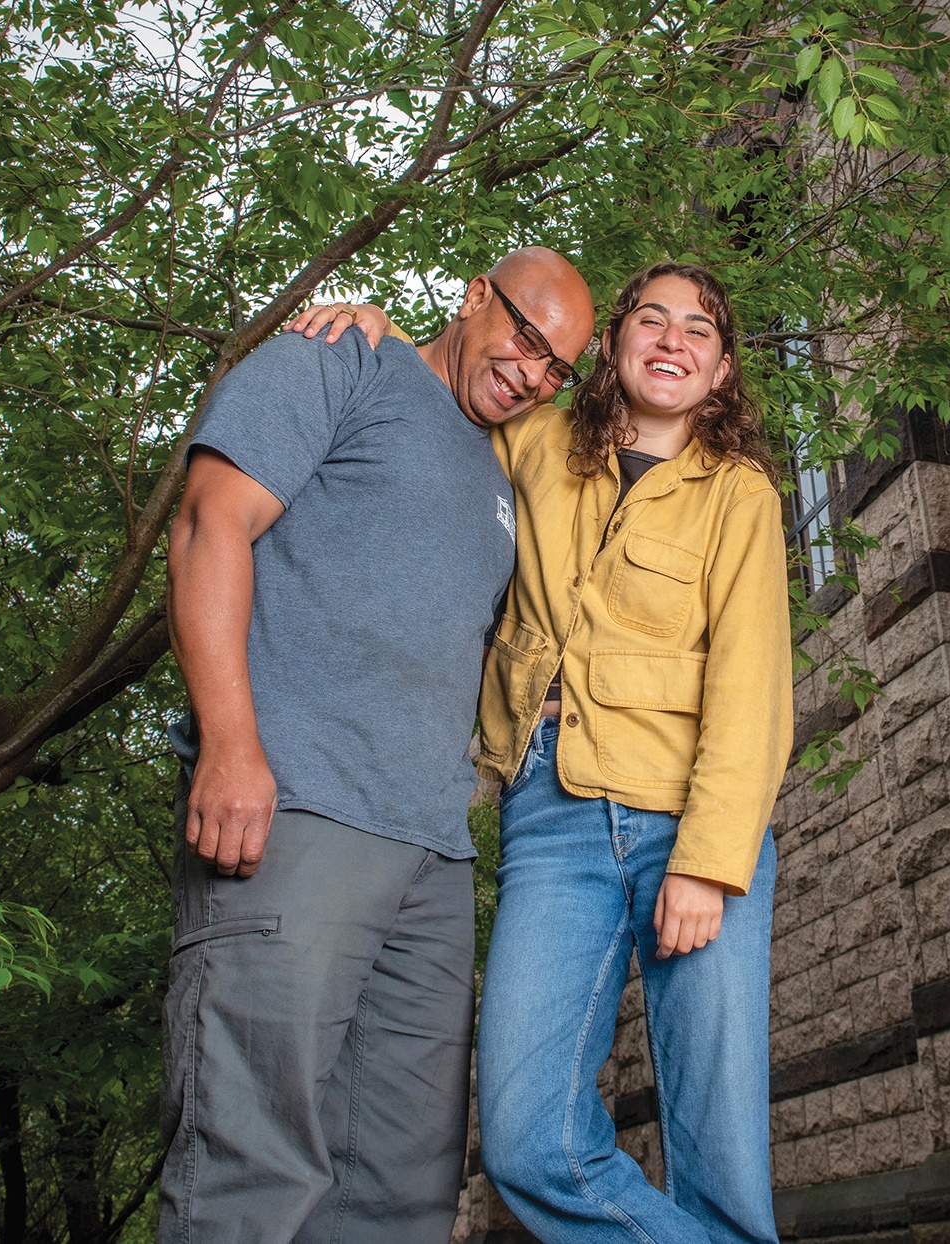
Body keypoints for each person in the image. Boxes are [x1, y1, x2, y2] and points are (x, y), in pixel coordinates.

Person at [292, 263, 792, 1243]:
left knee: (720, 1156)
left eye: (698, 331)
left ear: (721, 370)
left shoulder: (737, 495)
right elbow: (457, 383)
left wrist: (705, 857)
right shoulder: (540, 441)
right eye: (651, 317)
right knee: (526, 1139)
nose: (672, 339)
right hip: (550, 817)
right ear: (611, 344)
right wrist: (381, 330)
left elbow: (753, 687)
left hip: (687, 826)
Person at [162, 246, 594, 1244]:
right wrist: (230, 744)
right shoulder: (336, 362)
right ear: (474, 294)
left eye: (555, 366)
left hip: (433, 856)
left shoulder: (503, 467)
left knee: (400, 1192)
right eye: (524, 336)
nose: (530, 372)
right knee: (250, 1163)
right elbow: (206, 524)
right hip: (296, 814)